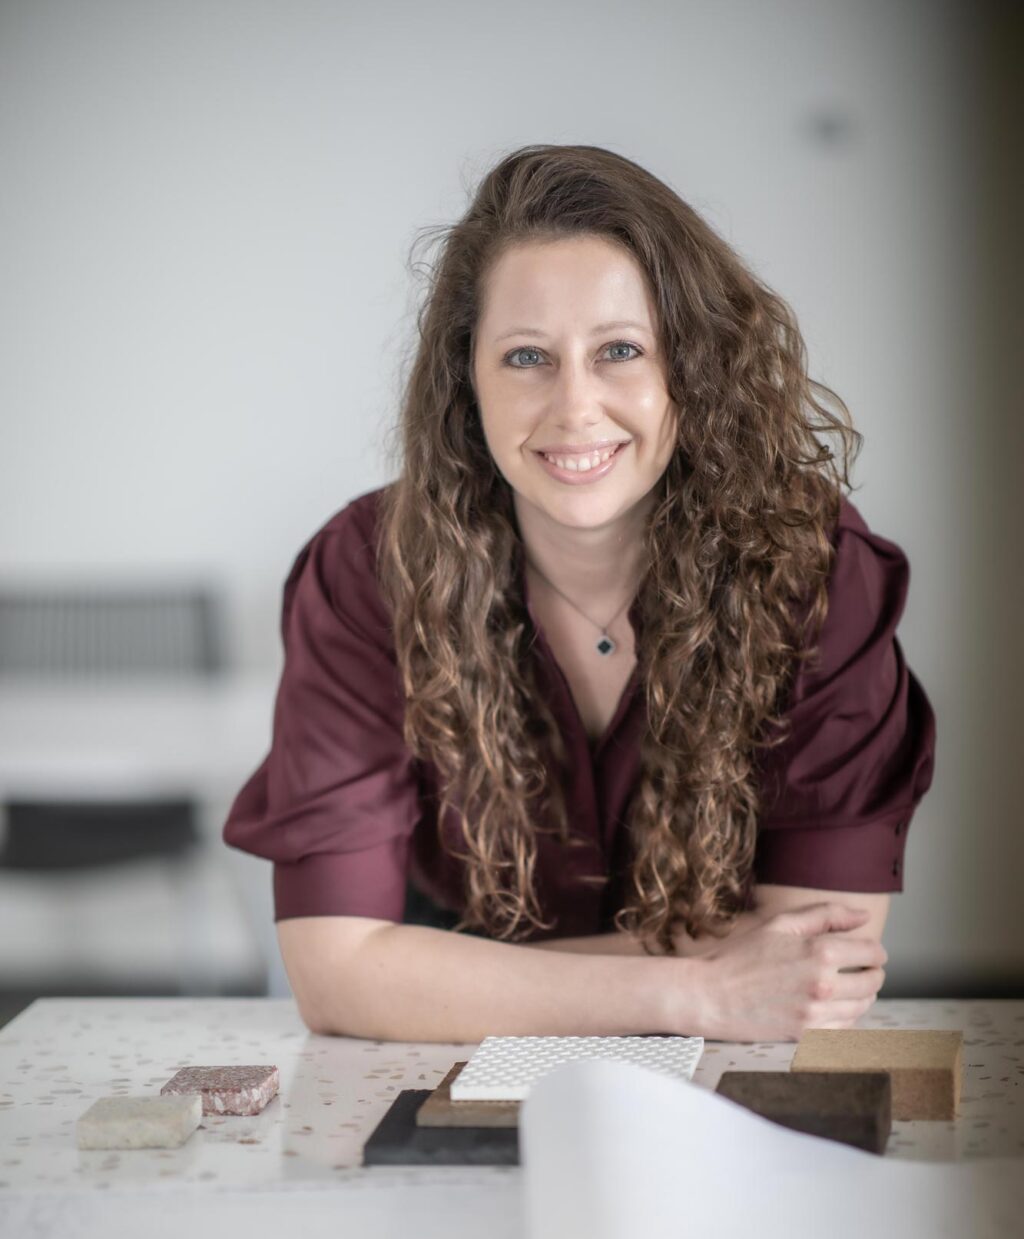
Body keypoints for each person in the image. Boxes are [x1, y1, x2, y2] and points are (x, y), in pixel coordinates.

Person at [223, 143, 936, 1046]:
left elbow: (824, 960)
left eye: (621, 351)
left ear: (693, 366)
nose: (574, 407)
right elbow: (335, 975)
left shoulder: (816, 567)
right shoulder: (366, 570)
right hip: (452, 1062)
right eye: (526, 356)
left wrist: (422, 974)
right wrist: (697, 992)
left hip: (716, 1070)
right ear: (465, 380)